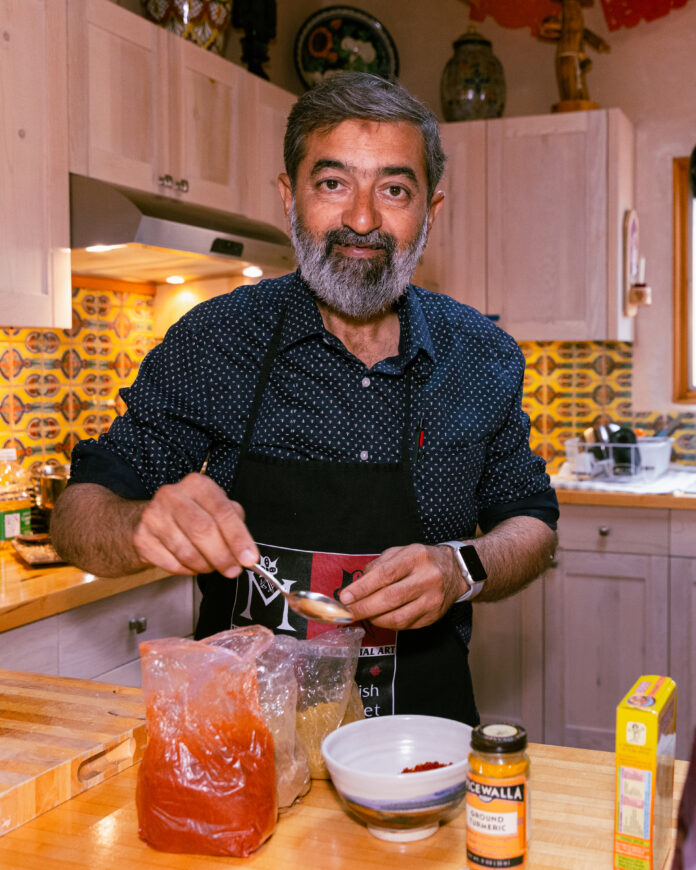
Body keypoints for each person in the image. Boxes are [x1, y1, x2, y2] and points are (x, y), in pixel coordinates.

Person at [52, 72, 558, 725]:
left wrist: (462, 566)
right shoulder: (214, 340)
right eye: (333, 183)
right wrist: (136, 525)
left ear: (429, 213)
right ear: (290, 197)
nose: (362, 218)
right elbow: (76, 517)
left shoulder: (481, 356)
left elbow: (534, 525)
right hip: (239, 738)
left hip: (417, 742)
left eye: (394, 189)